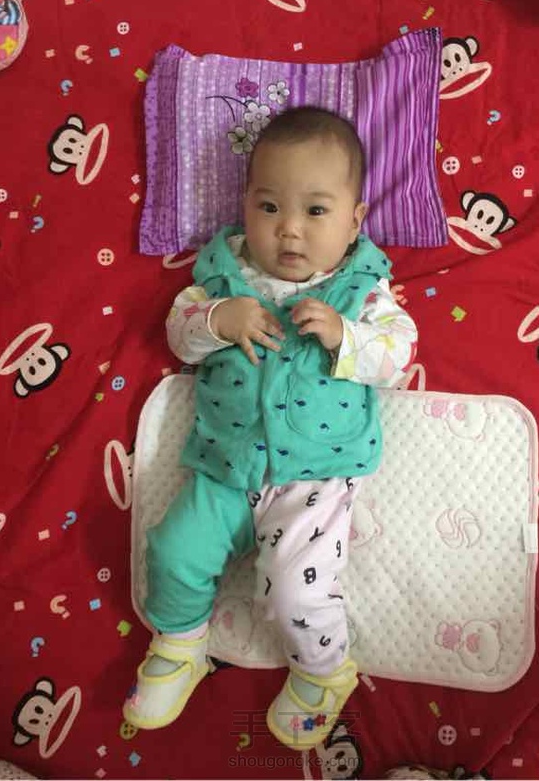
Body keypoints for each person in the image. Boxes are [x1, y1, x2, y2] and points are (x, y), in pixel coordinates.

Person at [123, 106, 418, 749]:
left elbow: (398, 355)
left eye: (315, 211)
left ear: (354, 221)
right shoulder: (220, 278)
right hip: (225, 466)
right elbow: (178, 334)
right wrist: (217, 320)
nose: (289, 229)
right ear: (245, 207)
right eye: (268, 207)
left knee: (292, 591)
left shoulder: (361, 289)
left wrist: (346, 337)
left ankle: (323, 672)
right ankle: (180, 645)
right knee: (173, 550)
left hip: (312, 475)